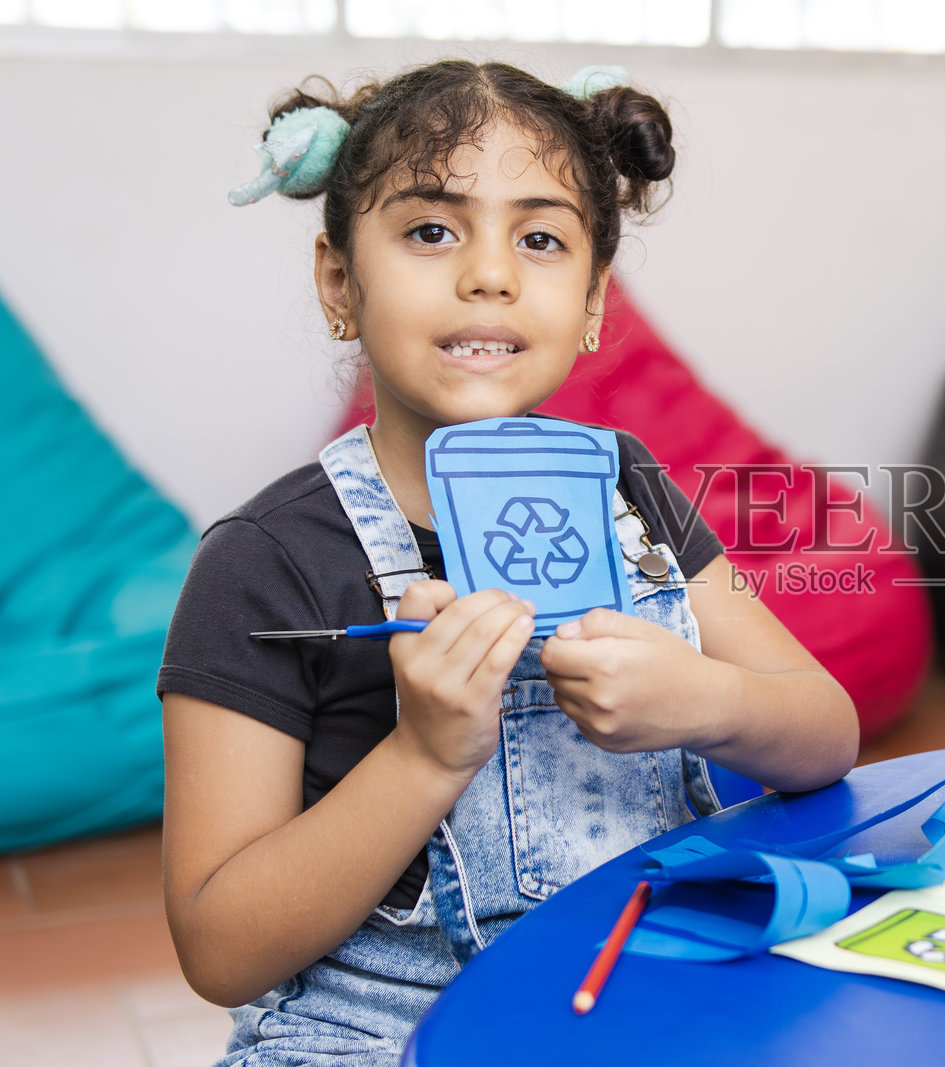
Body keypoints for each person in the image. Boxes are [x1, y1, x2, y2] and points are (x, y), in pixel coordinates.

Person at [158, 59, 858, 1063]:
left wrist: (709, 699)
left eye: (538, 238)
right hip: (378, 1027)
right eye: (431, 230)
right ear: (338, 281)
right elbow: (220, 949)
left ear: (591, 304)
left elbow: (827, 732)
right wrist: (422, 754)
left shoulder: (630, 489)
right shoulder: (264, 563)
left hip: (643, 988)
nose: (489, 273)